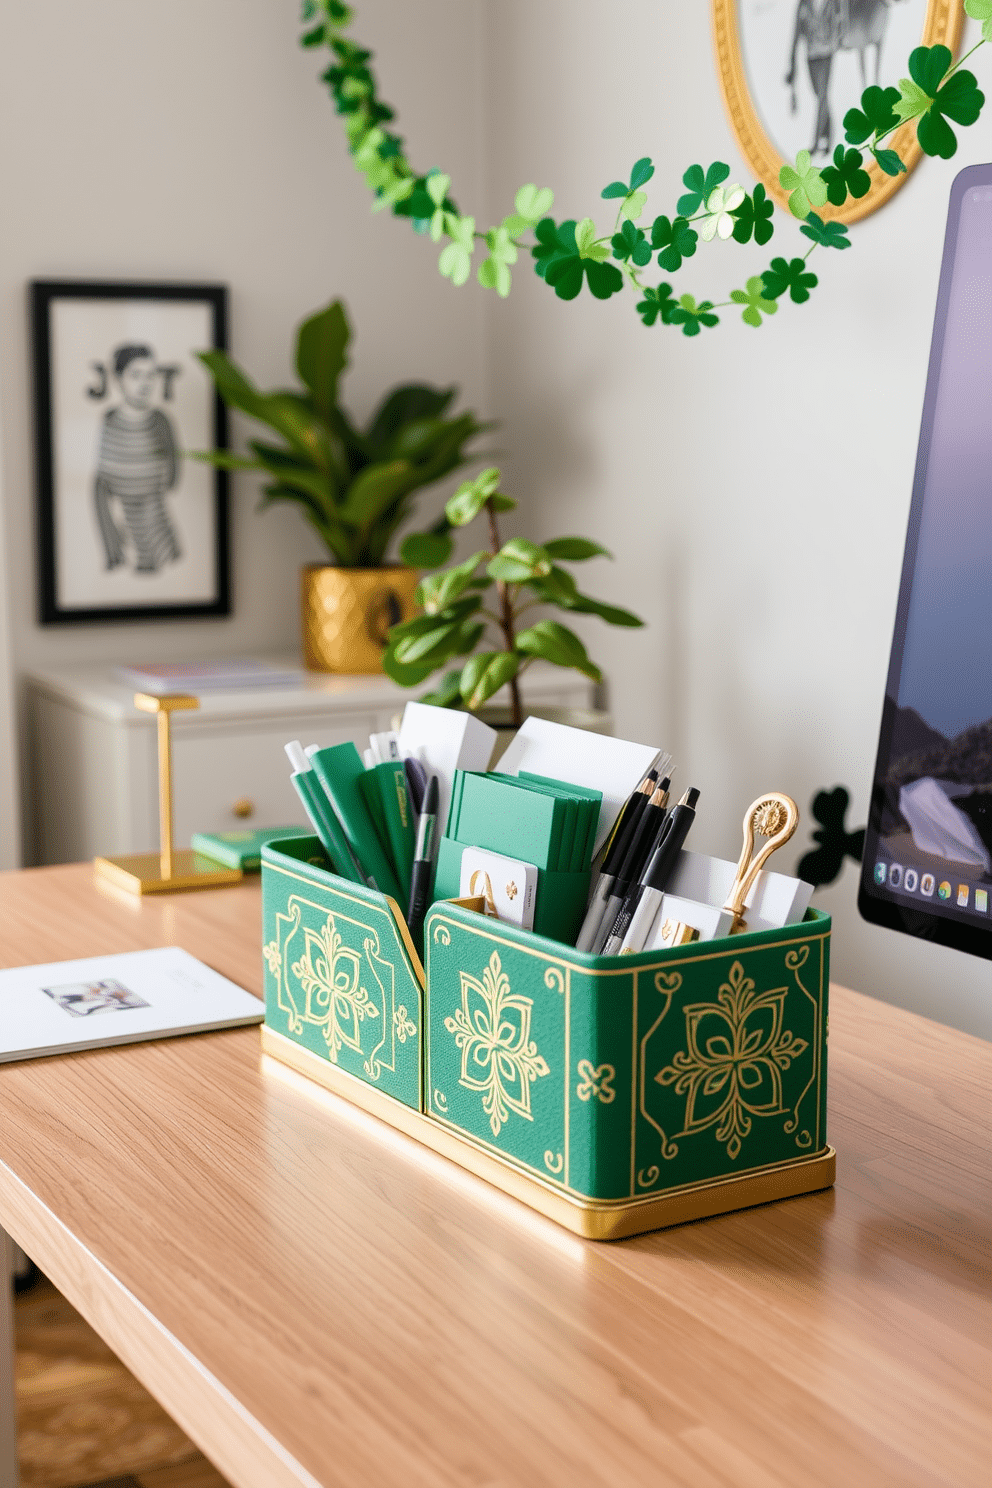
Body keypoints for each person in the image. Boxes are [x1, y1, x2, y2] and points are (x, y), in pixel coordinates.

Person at [94, 343, 181, 573]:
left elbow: (173, 455)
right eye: (136, 375)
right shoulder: (110, 419)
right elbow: (104, 460)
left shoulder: (159, 419)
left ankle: (156, 560)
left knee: (155, 536)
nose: (145, 383)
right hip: (120, 495)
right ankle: (121, 556)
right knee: (127, 529)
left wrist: (170, 481)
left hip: (151, 495)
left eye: (150, 375)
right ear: (120, 378)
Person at [786, 0, 845, 157]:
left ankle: (816, 142)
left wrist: (834, 41)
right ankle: (829, 135)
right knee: (818, 95)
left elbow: (841, 23)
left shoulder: (832, 2)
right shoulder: (803, 4)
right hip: (811, 55)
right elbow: (796, 32)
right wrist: (792, 63)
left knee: (822, 96)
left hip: (826, 55)